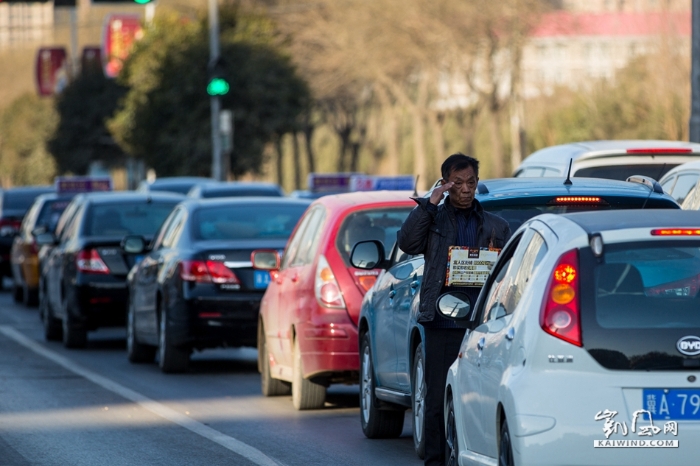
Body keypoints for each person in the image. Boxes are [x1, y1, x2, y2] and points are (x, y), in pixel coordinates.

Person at [398, 153, 511, 466]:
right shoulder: (432, 219)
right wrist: (430, 203)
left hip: (482, 326)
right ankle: (436, 461)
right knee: (436, 398)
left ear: (477, 183)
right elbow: (407, 243)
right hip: (441, 322)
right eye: (458, 183)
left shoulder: (496, 226)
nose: (465, 189)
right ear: (446, 184)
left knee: (478, 397)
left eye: (471, 182)